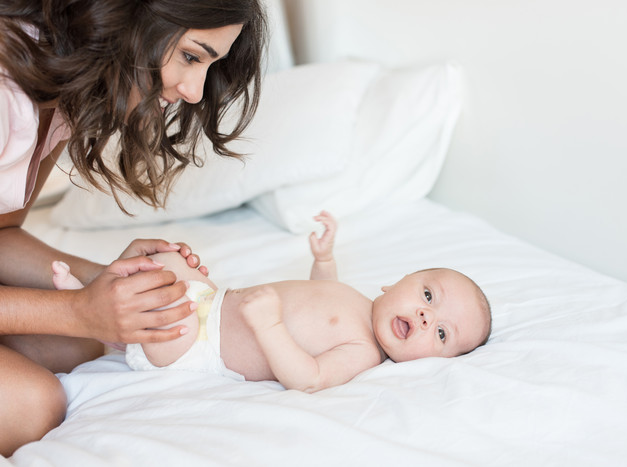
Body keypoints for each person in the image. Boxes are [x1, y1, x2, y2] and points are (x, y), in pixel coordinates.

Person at [0, 0, 267, 455]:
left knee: (86, 345)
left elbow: (1, 234)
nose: (196, 92)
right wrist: (77, 311)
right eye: (190, 55)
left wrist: (105, 286)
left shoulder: (58, 94)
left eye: (210, 65)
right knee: (30, 404)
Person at [54, 212, 493, 393]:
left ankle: (98, 323)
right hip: (215, 298)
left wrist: (269, 327)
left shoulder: (364, 354)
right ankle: (97, 295)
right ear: (396, 282)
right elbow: (321, 296)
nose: (423, 315)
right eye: (428, 295)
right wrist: (323, 260)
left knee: (166, 321)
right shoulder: (357, 300)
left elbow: (309, 377)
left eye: (439, 332)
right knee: (164, 259)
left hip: (203, 346)